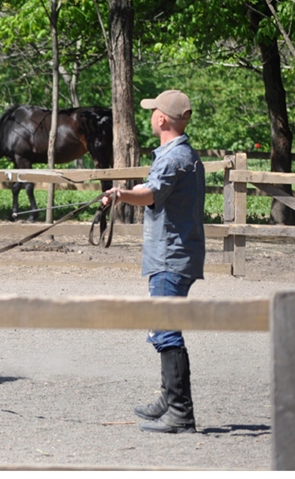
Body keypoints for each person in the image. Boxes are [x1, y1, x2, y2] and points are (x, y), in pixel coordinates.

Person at [101, 89, 205, 433]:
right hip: (175, 252)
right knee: (163, 326)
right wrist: (124, 192)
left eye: (152, 111)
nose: (149, 116)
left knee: (165, 329)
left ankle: (180, 412)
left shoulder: (174, 158)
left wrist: (121, 193)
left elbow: (152, 193)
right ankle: (169, 398)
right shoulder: (182, 155)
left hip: (169, 256)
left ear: (161, 119)